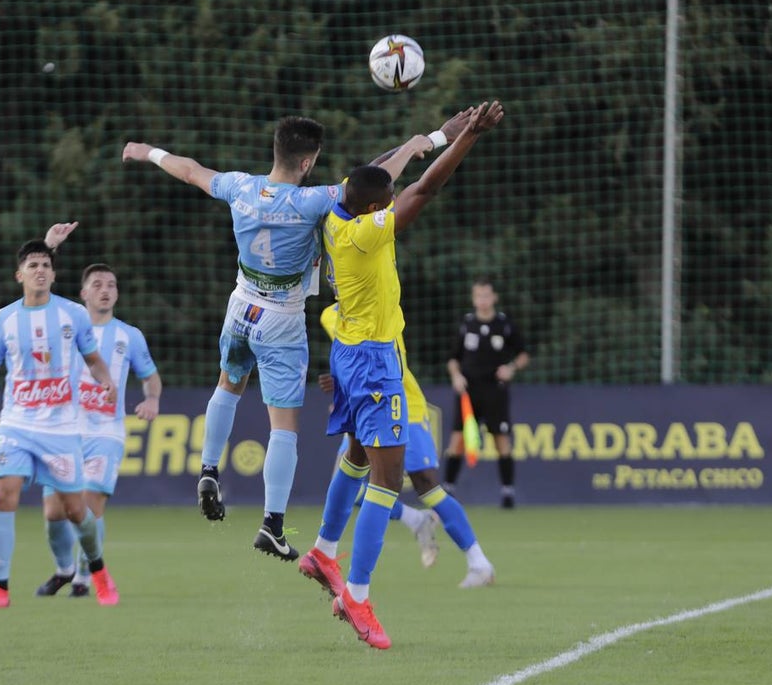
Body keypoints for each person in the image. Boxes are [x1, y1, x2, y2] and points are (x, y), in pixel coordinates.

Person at [120, 112, 468, 561]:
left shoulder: (241, 187)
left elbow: (189, 170)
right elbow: (373, 183)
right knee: (283, 425)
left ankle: (208, 468)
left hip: (240, 304)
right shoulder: (312, 201)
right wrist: (430, 140)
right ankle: (273, 524)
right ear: (308, 162)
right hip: (280, 316)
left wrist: (148, 152)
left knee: (228, 384)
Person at [300, 100, 505, 649]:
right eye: (385, 200)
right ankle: (358, 597)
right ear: (373, 209)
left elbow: (384, 171)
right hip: (374, 361)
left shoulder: (339, 211)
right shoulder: (367, 235)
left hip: (349, 352)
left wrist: (435, 135)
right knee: (388, 481)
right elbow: (424, 191)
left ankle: (323, 549)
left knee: (358, 455)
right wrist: (469, 139)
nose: (393, 196)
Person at [0, 240, 120, 609]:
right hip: (16, 424)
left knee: (75, 511)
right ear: (20, 275)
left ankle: (97, 569)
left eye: (46, 264)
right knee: (4, 492)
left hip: (61, 429)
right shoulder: (3, 320)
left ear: (53, 273)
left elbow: (94, 360)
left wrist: (106, 379)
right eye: (32, 265)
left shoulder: (72, 315)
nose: (40, 270)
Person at [303, 303, 496, 593]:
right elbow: (346, 358)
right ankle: (415, 520)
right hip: (364, 406)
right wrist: (343, 386)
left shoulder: (382, 302)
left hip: (401, 402)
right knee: (348, 487)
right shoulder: (329, 316)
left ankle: (479, 563)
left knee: (427, 485)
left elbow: (390, 358)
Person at [32, 223, 163, 598]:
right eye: (98, 285)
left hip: (105, 433)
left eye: (111, 286)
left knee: (88, 506)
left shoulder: (129, 336)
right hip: (61, 431)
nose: (106, 291)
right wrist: (49, 246)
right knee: (54, 514)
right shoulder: (66, 323)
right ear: (82, 293)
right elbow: (38, 293)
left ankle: (86, 577)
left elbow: (151, 377)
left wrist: (152, 398)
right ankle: (64, 568)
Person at [443, 278, 530, 508]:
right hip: (468, 391)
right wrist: (456, 376)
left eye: (486, 295)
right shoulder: (466, 324)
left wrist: (511, 368)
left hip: (495, 391)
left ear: (494, 298)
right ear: (473, 299)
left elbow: (523, 354)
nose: (482, 300)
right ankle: (448, 490)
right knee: (457, 440)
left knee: (501, 440)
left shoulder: (504, 324)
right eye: (478, 296)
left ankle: (507, 493)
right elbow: (453, 359)